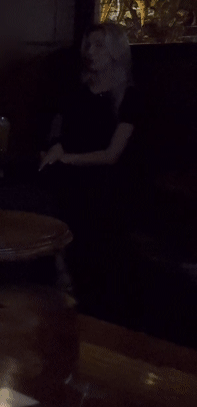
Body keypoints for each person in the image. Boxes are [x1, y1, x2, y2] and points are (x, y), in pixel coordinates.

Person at [38, 23, 139, 317]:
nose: (91, 52)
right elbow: (58, 129)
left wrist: (67, 158)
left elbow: (112, 155)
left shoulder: (128, 96)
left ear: (115, 52)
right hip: (72, 169)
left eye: (99, 46)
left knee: (84, 191)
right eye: (88, 45)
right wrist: (55, 148)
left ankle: (82, 284)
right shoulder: (77, 92)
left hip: (105, 174)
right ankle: (60, 270)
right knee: (44, 182)